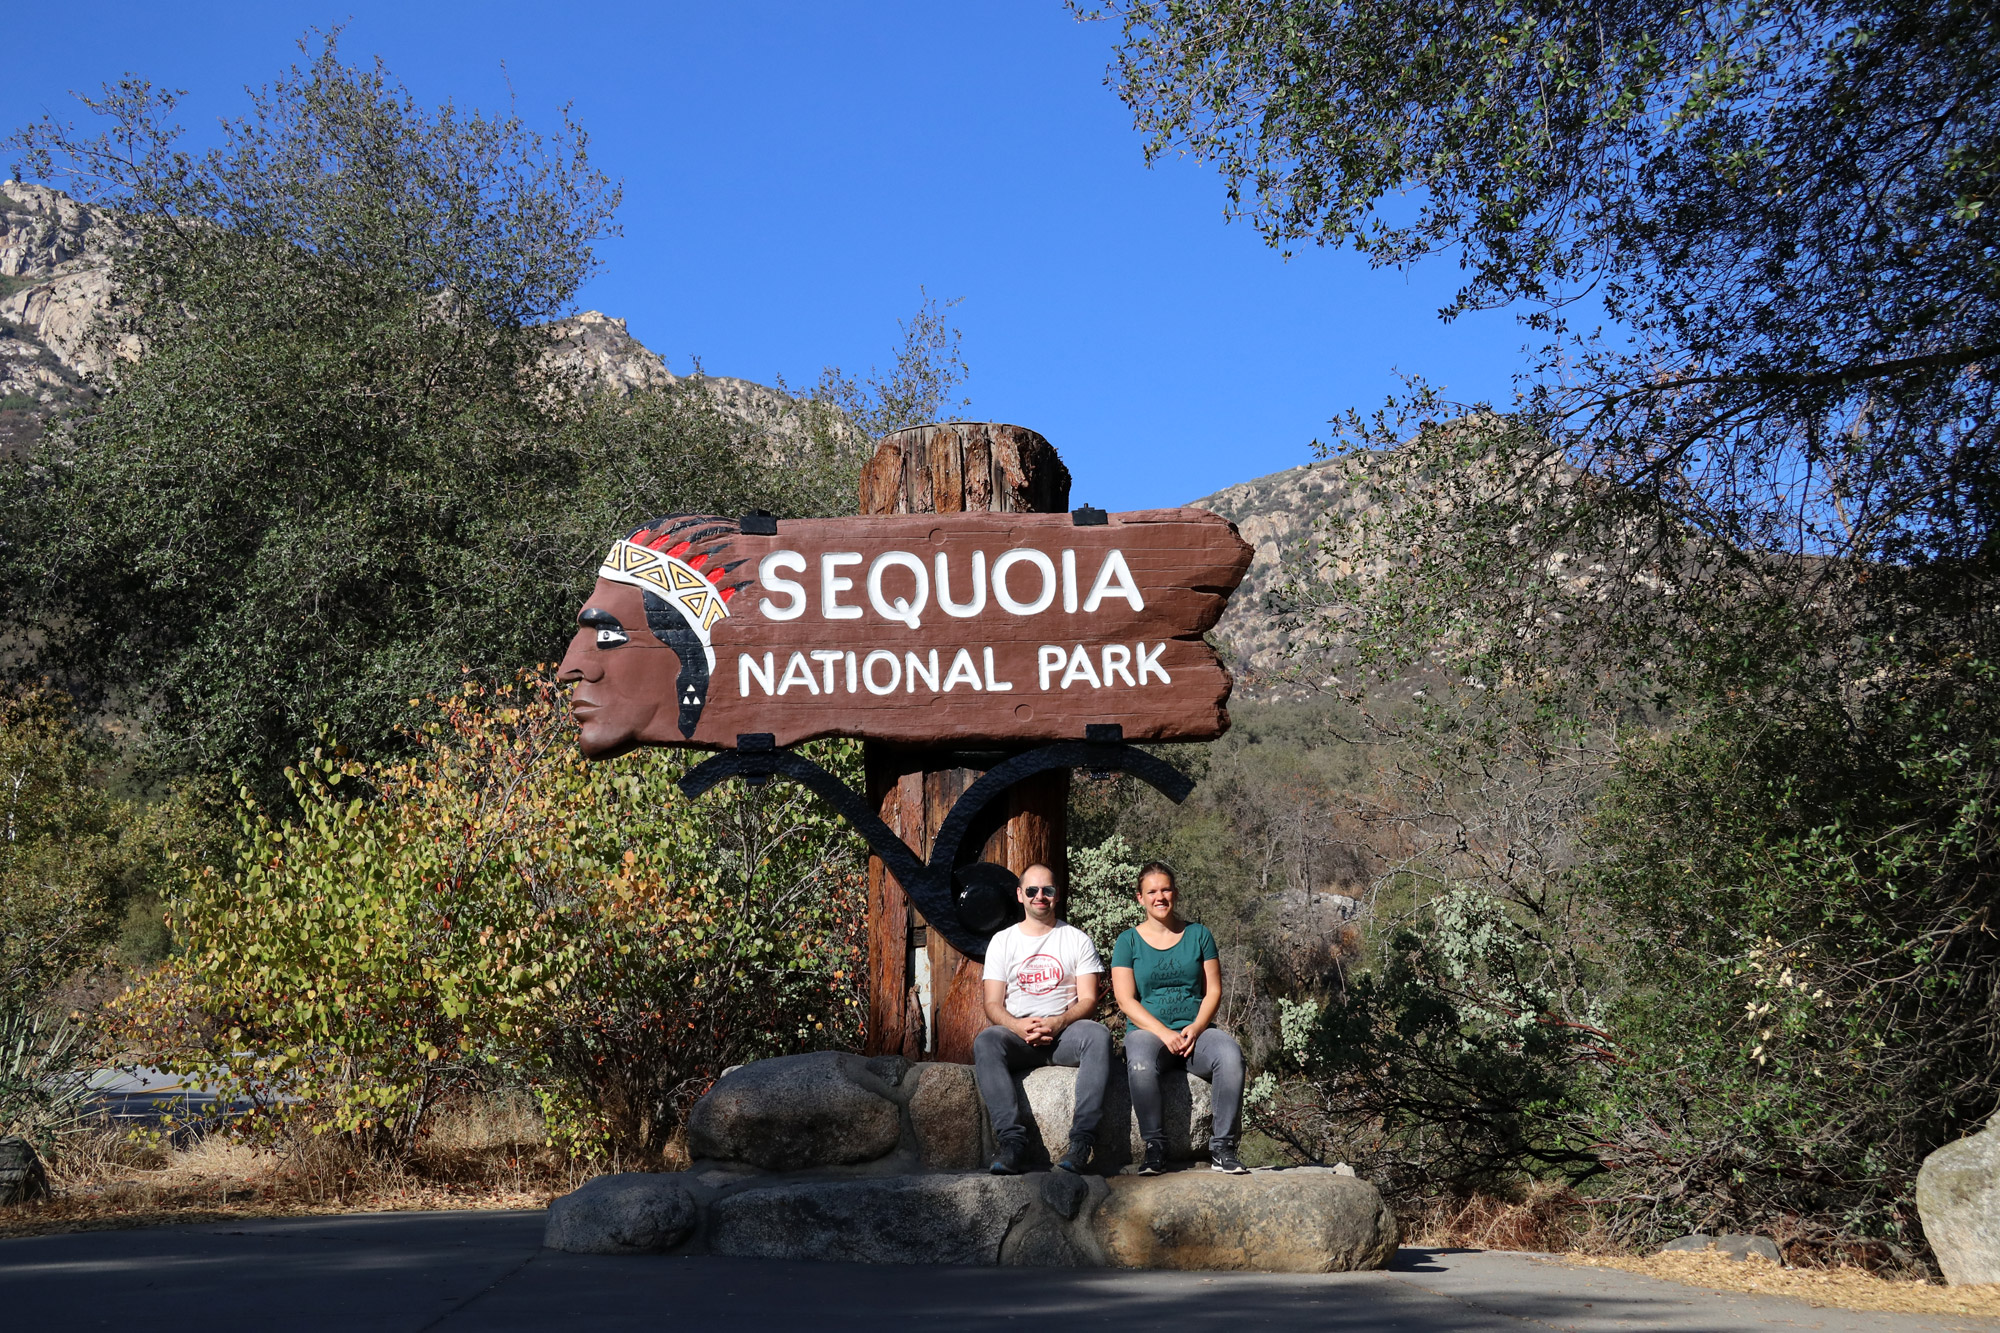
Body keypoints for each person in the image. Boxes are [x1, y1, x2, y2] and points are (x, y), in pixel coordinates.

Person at [973, 863, 1113, 1175]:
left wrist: (1059, 1022)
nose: (1040, 897)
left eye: (1047, 890)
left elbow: (1088, 1000)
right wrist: (1017, 1025)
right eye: (1033, 891)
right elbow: (992, 1004)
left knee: (1098, 1035)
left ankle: (1081, 1143)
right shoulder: (1003, 941)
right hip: (1017, 1035)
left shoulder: (1076, 939)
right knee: (986, 1041)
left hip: (1065, 1035)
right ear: (1020, 895)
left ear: (1057, 895)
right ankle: (1012, 1144)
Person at [1111, 861, 1249, 1175]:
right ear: (1140, 898)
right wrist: (1163, 1032)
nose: (1160, 897)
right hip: (1148, 1033)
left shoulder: (1198, 934)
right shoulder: (1127, 942)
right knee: (1140, 1063)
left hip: (1195, 1032)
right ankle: (1155, 1148)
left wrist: (1197, 1028)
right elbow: (1125, 999)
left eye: (1166, 889)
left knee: (1230, 1057)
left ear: (1175, 893)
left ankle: (1223, 1148)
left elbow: (1213, 990)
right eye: (1152, 892)